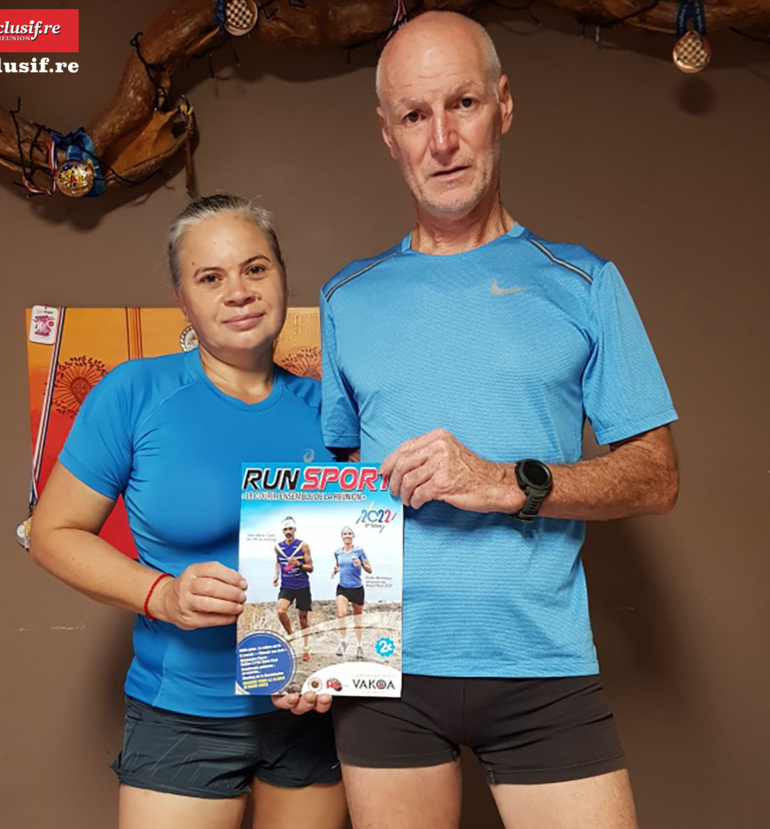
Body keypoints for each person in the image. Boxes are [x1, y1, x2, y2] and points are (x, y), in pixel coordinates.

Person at [320, 12, 679, 829]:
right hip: (388, 674)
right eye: (416, 115)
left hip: (542, 665)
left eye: (464, 104)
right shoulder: (346, 297)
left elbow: (658, 476)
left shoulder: (583, 282)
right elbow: (335, 484)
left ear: (503, 108)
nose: (442, 138)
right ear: (389, 134)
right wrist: (308, 646)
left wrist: (499, 480)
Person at [30, 194, 346, 829]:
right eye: (211, 276)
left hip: (306, 709)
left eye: (255, 268)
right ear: (183, 297)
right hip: (183, 709)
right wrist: (163, 595)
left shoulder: (332, 409)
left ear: (282, 277)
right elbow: (51, 533)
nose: (239, 292)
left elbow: (353, 558)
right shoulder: (135, 392)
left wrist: (334, 660)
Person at [273, 516, 314, 660]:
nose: (288, 531)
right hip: (287, 586)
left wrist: (298, 564)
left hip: (302, 586)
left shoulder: (303, 546)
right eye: (285, 529)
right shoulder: (278, 547)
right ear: (283, 531)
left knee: (303, 619)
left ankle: (306, 648)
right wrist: (276, 575)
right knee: (281, 611)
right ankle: (290, 635)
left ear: (294, 529)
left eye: (290, 528)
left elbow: (311, 568)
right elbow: (278, 562)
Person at [329, 526, 372, 661]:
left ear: (353, 536)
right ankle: (344, 641)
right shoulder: (337, 552)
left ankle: (359, 646)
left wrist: (361, 564)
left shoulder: (359, 551)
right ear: (342, 536)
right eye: (344, 534)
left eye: (349, 534)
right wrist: (335, 570)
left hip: (357, 588)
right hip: (343, 587)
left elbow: (370, 569)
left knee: (357, 619)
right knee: (341, 614)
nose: (347, 536)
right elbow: (339, 565)